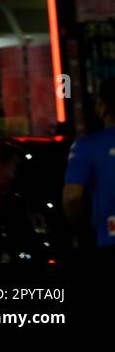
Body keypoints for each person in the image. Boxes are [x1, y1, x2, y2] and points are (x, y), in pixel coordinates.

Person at [63, 78, 115, 262]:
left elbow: (72, 198)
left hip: (108, 243)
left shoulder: (87, 147)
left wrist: (79, 229)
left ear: (102, 108)